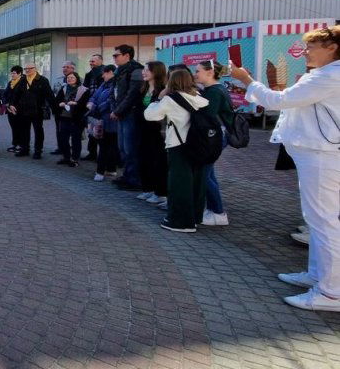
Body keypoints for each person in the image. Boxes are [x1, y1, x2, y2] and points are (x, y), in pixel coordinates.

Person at [231, 25, 340, 311]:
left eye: (312, 46)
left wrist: (247, 81)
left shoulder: (330, 75)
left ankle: (331, 292)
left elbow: (279, 101)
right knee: (319, 220)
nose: (306, 52)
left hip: (321, 154)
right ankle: (318, 276)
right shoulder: (325, 75)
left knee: (324, 222)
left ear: (332, 47)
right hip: (317, 152)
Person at [144, 68, 210, 233]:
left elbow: (150, 115)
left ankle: (180, 221)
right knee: (196, 183)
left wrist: (158, 98)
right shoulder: (200, 98)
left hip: (178, 145)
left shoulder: (170, 99)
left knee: (179, 184)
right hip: (200, 145)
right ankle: (194, 217)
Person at [195, 60, 235, 226]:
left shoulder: (214, 91)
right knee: (208, 173)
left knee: (204, 174)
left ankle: (218, 212)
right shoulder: (214, 90)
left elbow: (208, 115)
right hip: (215, 136)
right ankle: (214, 209)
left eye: (198, 71)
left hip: (215, 137)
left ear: (210, 72)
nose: (195, 74)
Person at [111, 44, 145, 190]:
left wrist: (118, 111)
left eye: (116, 55)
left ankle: (134, 179)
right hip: (121, 113)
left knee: (130, 148)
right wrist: (116, 110)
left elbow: (132, 95)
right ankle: (127, 175)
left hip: (130, 114)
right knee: (122, 147)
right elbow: (115, 92)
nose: (114, 58)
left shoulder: (135, 70)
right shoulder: (120, 70)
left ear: (126, 55)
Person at [136, 61, 169, 207]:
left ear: (156, 72)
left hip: (157, 132)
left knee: (158, 161)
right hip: (144, 130)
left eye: (146, 70)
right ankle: (148, 188)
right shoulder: (143, 88)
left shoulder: (162, 90)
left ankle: (160, 192)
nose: (143, 72)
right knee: (144, 158)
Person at [12, 63, 53, 159]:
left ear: (35, 69)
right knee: (24, 131)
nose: (27, 70)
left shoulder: (42, 80)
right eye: (26, 69)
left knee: (38, 131)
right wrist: (12, 104)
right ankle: (25, 149)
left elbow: (49, 95)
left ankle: (38, 151)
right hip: (24, 110)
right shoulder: (22, 80)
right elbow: (16, 94)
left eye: (30, 68)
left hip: (37, 111)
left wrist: (54, 108)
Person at [87, 65, 119, 181]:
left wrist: (95, 107)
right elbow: (94, 96)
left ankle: (100, 172)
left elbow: (111, 101)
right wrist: (91, 102)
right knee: (106, 145)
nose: (102, 75)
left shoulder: (116, 85)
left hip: (111, 121)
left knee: (107, 147)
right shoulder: (104, 84)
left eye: (104, 73)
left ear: (110, 72)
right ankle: (110, 169)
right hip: (102, 120)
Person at [53, 72, 90, 167]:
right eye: (68, 77)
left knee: (76, 139)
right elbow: (57, 100)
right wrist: (60, 104)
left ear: (77, 78)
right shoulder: (64, 88)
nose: (69, 79)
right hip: (64, 117)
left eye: (72, 77)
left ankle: (74, 159)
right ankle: (66, 157)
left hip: (76, 118)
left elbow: (85, 104)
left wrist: (75, 104)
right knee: (63, 139)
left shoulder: (84, 90)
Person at [51, 61, 77, 155]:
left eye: (67, 67)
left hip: (72, 111)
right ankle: (61, 147)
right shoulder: (58, 80)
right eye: (63, 67)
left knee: (72, 131)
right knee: (59, 129)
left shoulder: (79, 80)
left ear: (73, 69)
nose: (65, 69)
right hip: (59, 109)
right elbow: (53, 93)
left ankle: (73, 150)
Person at [83, 54, 105, 161]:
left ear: (100, 61)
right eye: (90, 61)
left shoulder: (104, 73)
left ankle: (103, 156)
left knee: (101, 131)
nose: (91, 63)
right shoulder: (89, 74)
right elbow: (86, 89)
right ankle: (92, 153)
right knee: (91, 131)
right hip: (90, 106)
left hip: (101, 106)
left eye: (93, 61)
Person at [3, 66, 26, 153]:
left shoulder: (23, 82)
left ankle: (21, 145)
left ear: (20, 73)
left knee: (20, 128)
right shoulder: (10, 83)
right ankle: (14, 144)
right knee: (13, 127)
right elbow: (4, 95)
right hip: (10, 109)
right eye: (11, 73)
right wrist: (7, 105)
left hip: (19, 110)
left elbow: (23, 97)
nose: (12, 75)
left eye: (14, 73)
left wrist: (14, 106)